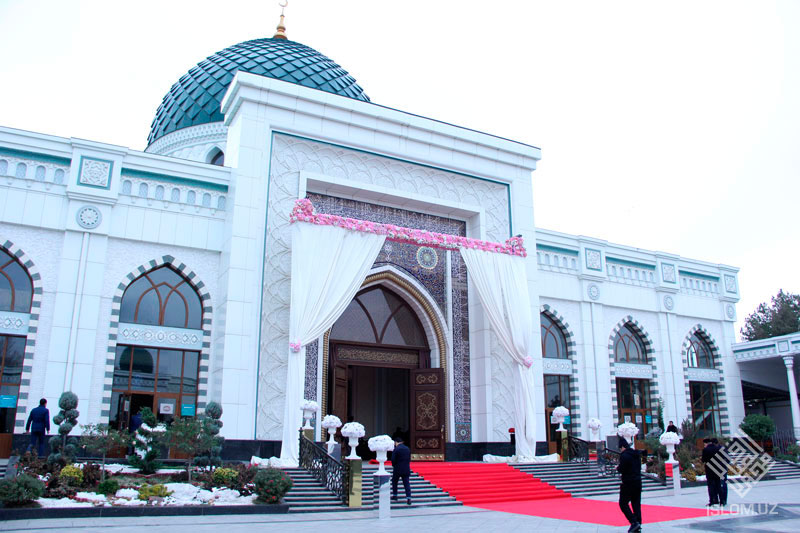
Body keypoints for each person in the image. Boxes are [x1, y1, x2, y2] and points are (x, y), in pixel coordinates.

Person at [617, 437, 642, 533]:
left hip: (628, 482)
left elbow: (622, 469)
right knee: (636, 504)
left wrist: (618, 468)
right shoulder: (636, 454)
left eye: (620, 448)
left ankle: (634, 522)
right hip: (638, 481)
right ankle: (638, 524)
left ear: (622, 447)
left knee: (623, 503)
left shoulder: (624, 455)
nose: (621, 450)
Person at [391, 437, 412, 506]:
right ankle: (408, 498)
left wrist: (394, 465)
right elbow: (409, 458)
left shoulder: (396, 449)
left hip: (397, 468)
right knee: (406, 483)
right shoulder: (407, 448)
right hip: (406, 468)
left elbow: (393, 459)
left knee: (394, 482)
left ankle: (395, 495)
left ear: (396, 442)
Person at [701, 438, 721, 506]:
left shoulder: (705, 450)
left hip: (709, 470)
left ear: (706, 443)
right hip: (718, 469)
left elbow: (703, 460)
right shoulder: (717, 448)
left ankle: (712, 501)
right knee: (718, 485)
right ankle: (721, 500)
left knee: (711, 486)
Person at [712, 438, 728, 506]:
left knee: (716, 484)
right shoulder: (722, 448)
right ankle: (724, 500)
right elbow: (728, 459)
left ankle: (716, 499)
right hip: (723, 468)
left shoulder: (712, 449)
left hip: (716, 469)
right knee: (723, 484)